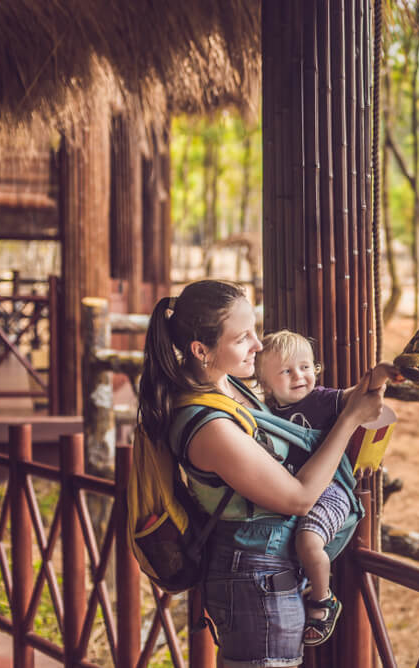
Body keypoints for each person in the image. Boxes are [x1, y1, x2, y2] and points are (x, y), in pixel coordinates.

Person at [137, 280, 384, 667]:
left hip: (269, 568)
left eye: (255, 329)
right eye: (242, 338)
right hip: (255, 578)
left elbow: (298, 406)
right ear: (201, 350)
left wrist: (365, 390)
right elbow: (299, 498)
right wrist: (351, 420)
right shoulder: (207, 425)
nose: (257, 344)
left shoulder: (228, 385)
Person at [254, 330, 400, 645]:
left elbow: (361, 390)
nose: (299, 376)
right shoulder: (264, 412)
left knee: (308, 542)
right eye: (286, 371)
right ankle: (304, 582)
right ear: (265, 383)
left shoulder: (321, 400)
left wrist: (383, 372)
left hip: (330, 490)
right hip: (292, 490)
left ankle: (323, 600)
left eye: (306, 367)